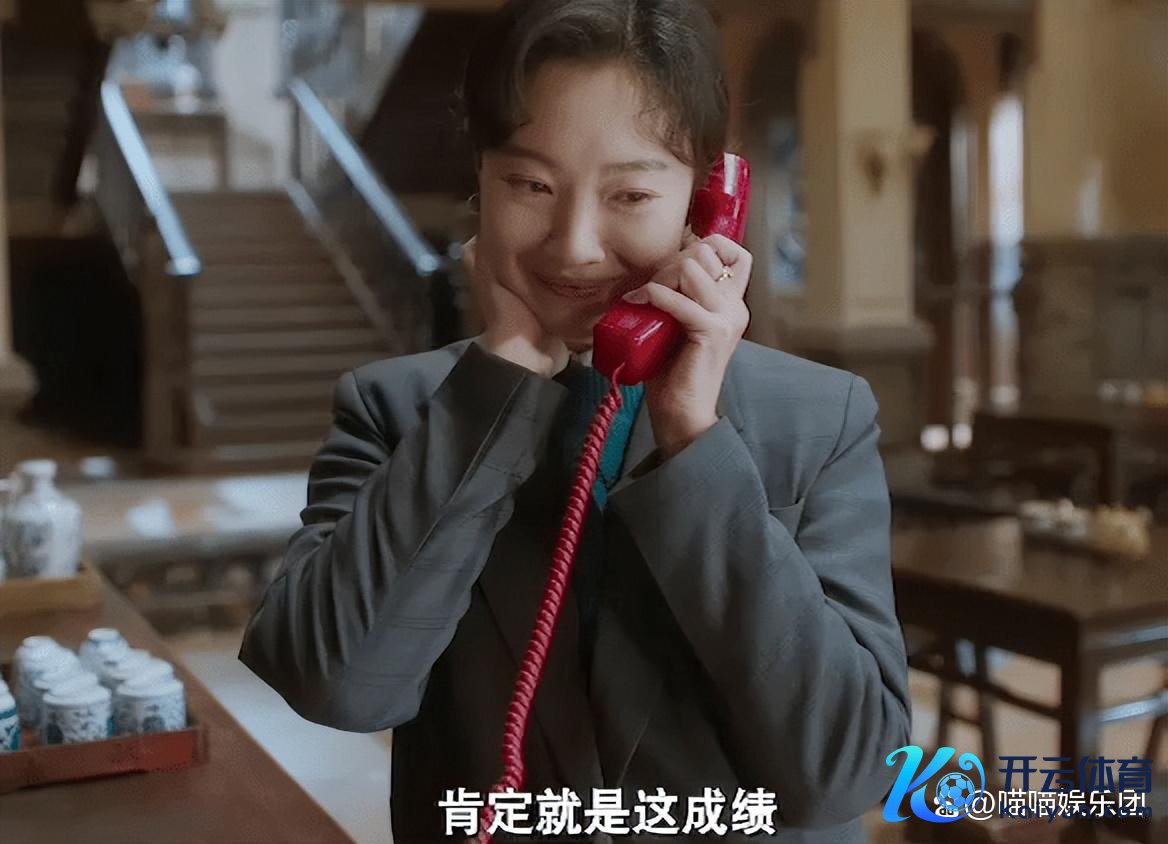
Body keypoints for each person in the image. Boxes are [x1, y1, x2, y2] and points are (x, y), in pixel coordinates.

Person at [238, 0, 911, 841]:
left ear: (709, 204)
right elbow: (334, 684)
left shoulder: (820, 418)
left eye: (630, 192)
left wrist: (694, 440)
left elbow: (848, 768)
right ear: (480, 181)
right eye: (530, 185)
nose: (574, 245)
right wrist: (498, 385)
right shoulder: (395, 409)